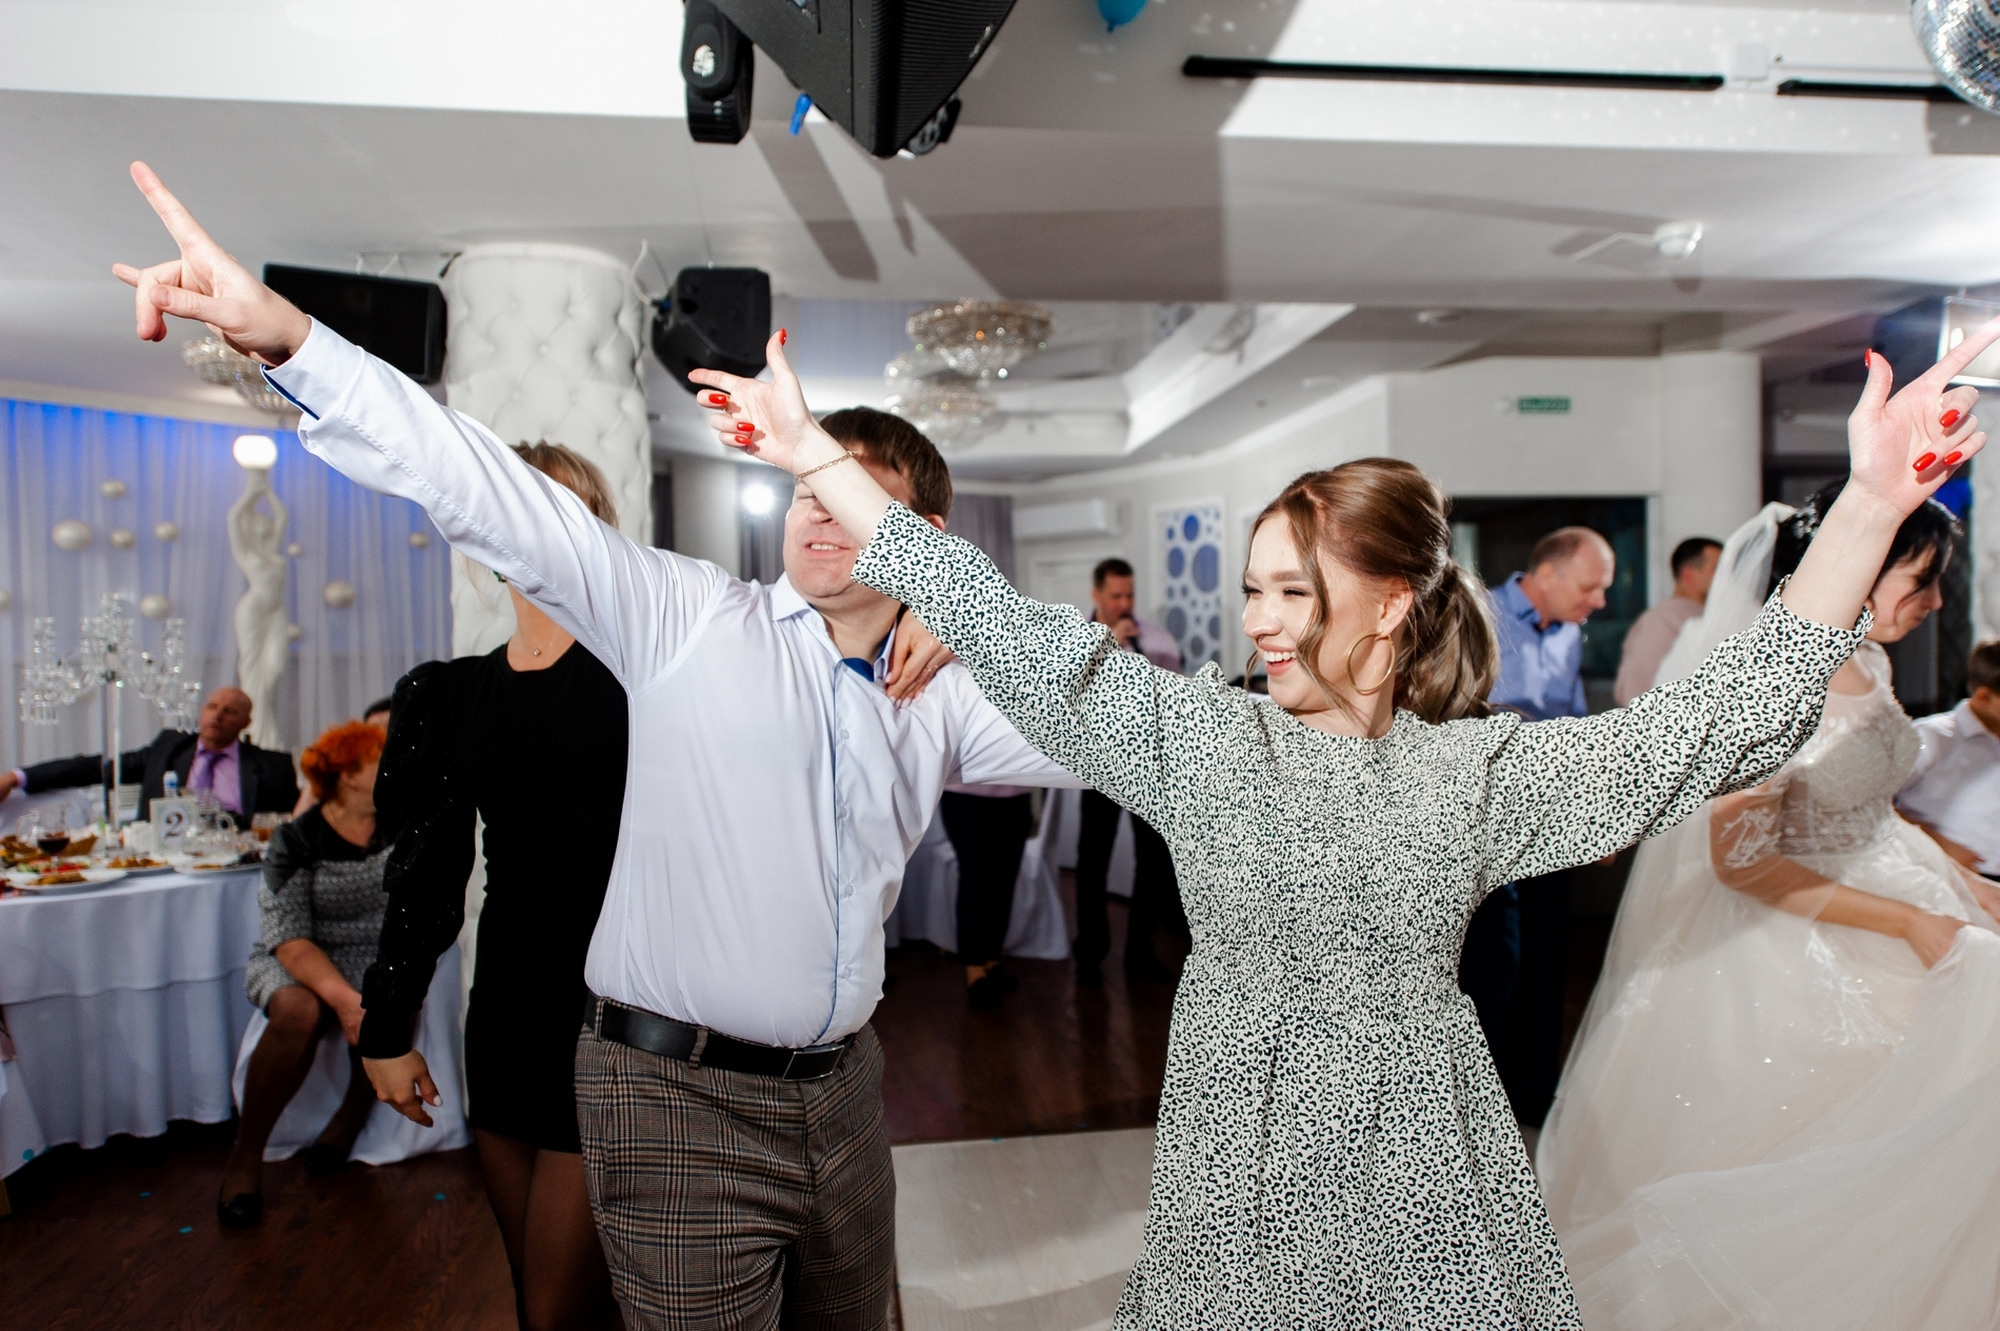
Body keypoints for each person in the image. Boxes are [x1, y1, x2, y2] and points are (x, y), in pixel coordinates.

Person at [688, 325, 1990, 1327]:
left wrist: (1874, 501)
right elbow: (997, 617)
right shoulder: (1205, 739)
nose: (1258, 616)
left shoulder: (1477, 773)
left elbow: (1711, 724)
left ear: (1384, 608)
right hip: (1237, 1150)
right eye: (1252, 586)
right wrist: (810, 455)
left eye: (1291, 588)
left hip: (1426, 1148)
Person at [110, 163, 1078, 1330]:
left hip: (845, 1095)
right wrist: (291, 340)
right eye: (803, 483)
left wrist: (964, 610)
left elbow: (1116, 722)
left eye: (852, 493)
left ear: (920, 535)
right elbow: (484, 487)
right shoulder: (684, 620)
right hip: (673, 1093)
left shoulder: (938, 693)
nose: (817, 510)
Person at [1537, 483, 2000, 1328]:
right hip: (1791, 933)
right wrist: (1913, 918)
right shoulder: (1772, 678)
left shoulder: (1871, 656)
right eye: (1922, 580)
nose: (1936, 602)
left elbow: (1870, 808)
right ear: (1860, 564)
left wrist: (1965, 884)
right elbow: (1741, 863)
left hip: (1890, 877)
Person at [359, 444, 629, 1331]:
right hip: (507, 1011)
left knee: (561, 1310)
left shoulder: (647, 677)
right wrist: (385, 1031)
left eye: (562, 509)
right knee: (532, 1297)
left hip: (620, 1023)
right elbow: (427, 880)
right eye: (511, 506)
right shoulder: (448, 695)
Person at [1460, 526, 1614, 1127]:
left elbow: (1571, 728)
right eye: (1590, 585)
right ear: (1546, 574)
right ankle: (1479, 1111)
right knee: (1494, 967)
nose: (1599, 600)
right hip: (1483, 821)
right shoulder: (1477, 616)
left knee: (1549, 962)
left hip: (1548, 820)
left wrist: (1592, 814)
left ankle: (1534, 1103)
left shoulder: (1569, 632)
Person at [218, 720, 389, 1228]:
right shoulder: (296, 839)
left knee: (398, 993)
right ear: (350, 775)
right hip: (297, 953)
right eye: (380, 759)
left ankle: (347, 1123)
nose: (394, 767)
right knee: (299, 1008)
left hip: (373, 956)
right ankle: (246, 1157)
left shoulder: (402, 825)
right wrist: (342, 997)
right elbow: (288, 937)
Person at [1073, 557, 1189, 986]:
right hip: (1098, 769)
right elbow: (1070, 698)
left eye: (1130, 595)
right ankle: (1089, 953)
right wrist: (1109, 645)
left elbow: (1174, 701)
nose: (1124, 603)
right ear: (1097, 595)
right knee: (1092, 862)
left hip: (1150, 768)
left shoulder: (1158, 641)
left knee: (1154, 863)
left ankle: (1139, 952)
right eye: (1116, 595)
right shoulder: (1078, 642)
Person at [0, 684, 299, 820]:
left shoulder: (273, 766)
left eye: (229, 711)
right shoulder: (169, 748)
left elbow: (294, 821)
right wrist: (17, 777)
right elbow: (99, 768)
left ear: (246, 722)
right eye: (211, 707)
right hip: (165, 860)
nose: (217, 716)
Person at [1897, 638, 2000, 877]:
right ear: (1984, 697)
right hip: (1948, 876)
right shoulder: (1932, 737)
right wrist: (1937, 843)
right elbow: (1873, 804)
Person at [1612, 534, 1721, 705]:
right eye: (1717, 569)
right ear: (1689, 575)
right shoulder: (1660, 621)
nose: (1726, 577)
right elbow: (1637, 692)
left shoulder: (1712, 616)